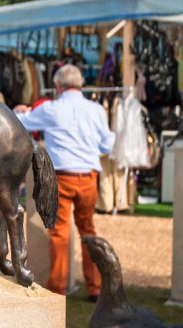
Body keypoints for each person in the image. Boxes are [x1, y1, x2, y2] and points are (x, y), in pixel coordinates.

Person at [14, 64, 115, 301]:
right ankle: (95, 287)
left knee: (60, 233)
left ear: (58, 85)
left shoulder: (51, 108)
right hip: (88, 177)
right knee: (88, 230)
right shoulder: (97, 109)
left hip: (62, 177)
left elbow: (22, 122)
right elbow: (107, 145)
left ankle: (58, 288)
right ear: (81, 84)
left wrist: (19, 110)